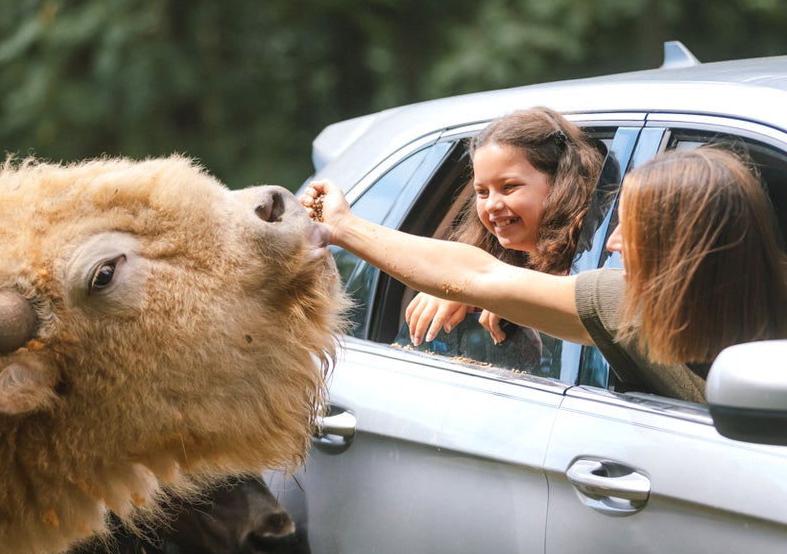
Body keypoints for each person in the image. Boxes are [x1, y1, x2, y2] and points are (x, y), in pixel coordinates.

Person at [301, 146, 787, 402]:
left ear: (685, 246)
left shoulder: (631, 305)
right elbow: (479, 277)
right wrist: (343, 227)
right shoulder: (626, 304)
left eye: (633, 230)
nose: (612, 245)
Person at [403, 106, 605, 350]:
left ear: (561, 182)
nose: (492, 205)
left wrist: (504, 295)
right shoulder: (491, 261)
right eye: (482, 192)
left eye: (509, 187)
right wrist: (457, 290)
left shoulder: (600, 260)